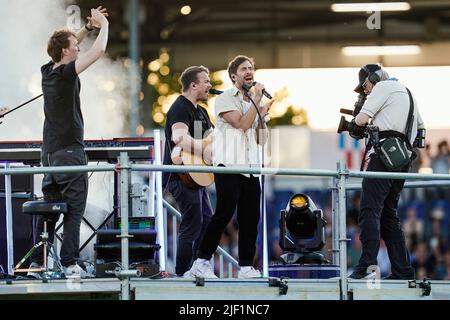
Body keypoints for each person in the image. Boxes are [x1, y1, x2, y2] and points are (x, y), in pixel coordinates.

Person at [29, 7, 109, 278]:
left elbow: (67, 41)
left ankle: (37, 264)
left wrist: (86, 28)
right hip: (69, 153)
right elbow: (97, 53)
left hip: (49, 155)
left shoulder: (47, 70)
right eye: (74, 46)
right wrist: (104, 25)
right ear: (65, 52)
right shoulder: (65, 74)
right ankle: (71, 264)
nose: (78, 47)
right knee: (74, 212)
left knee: (50, 214)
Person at [189, 55, 273, 278]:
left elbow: (261, 139)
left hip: (251, 166)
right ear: (234, 75)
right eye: (244, 68)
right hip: (229, 165)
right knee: (224, 214)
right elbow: (241, 124)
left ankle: (246, 266)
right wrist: (256, 102)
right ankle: (201, 261)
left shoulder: (252, 104)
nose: (249, 72)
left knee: (250, 218)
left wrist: (262, 117)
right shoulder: (226, 98)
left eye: (251, 69)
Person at [350, 64, 425, 280]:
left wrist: (360, 115)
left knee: (368, 210)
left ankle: (366, 266)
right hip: (402, 159)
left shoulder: (382, 87)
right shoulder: (407, 92)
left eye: (365, 85)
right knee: (388, 215)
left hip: (384, 155)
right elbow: (421, 130)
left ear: (374, 78)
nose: (365, 90)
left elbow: (360, 121)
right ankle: (403, 270)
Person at [163, 66, 214, 277]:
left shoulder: (201, 111)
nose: (210, 85)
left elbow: (212, 140)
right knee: (192, 224)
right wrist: (205, 149)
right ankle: (183, 272)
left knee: (207, 220)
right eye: (206, 81)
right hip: (181, 176)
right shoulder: (180, 107)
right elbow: (179, 138)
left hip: (197, 175)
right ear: (193, 85)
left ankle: (197, 267)